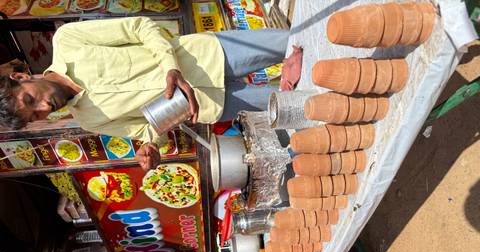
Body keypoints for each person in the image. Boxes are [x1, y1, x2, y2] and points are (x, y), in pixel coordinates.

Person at [0, 17, 299, 171]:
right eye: (36, 115)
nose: (44, 106)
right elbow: (147, 126)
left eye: (30, 99)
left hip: (207, 54)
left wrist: (171, 68)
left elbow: (139, 28)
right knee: (296, 101)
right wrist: (152, 146)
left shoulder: (68, 41)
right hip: (211, 105)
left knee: (297, 44)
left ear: (22, 77)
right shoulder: (90, 119)